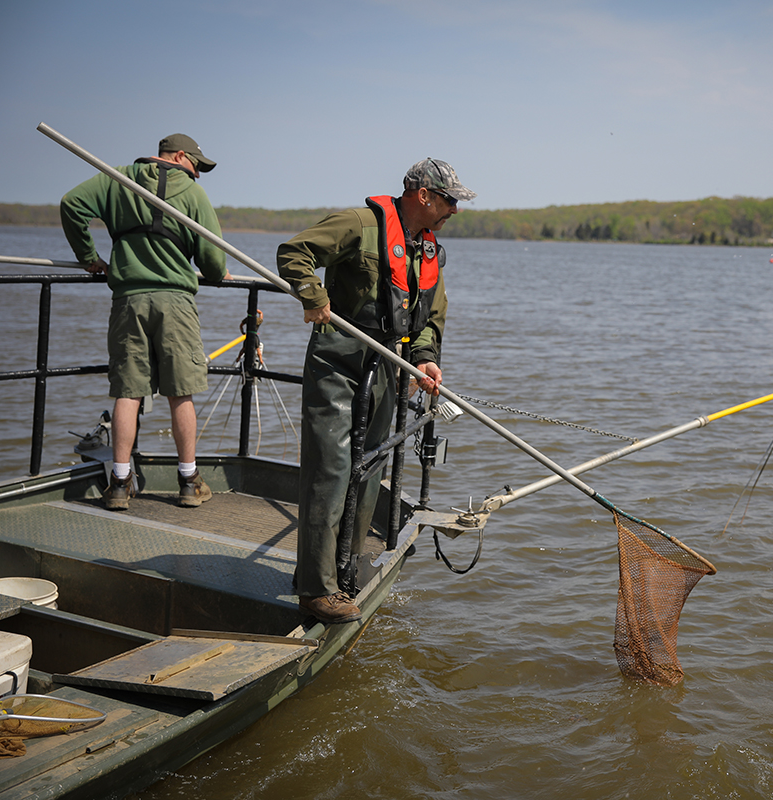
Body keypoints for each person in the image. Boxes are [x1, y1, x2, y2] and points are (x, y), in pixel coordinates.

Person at [277, 158, 475, 624]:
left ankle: (342, 570)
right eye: (450, 201)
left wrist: (425, 358)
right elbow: (294, 252)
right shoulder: (360, 224)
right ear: (423, 194)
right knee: (331, 469)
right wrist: (314, 297)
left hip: (389, 364)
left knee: (369, 467)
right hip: (340, 360)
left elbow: (430, 316)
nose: (454, 211)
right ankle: (314, 589)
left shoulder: (429, 251)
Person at [60, 133, 228, 510]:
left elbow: (71, 204)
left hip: (129, 300)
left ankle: (119, 484)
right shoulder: (194, 194)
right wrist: (219, 274)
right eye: (196, 166)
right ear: (180, 156)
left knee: (128, 392)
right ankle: (189, 482)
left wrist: (89, 256)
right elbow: (214, 263)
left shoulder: (115, 178)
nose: (198, 175)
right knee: (179, 391)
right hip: (176, 304)